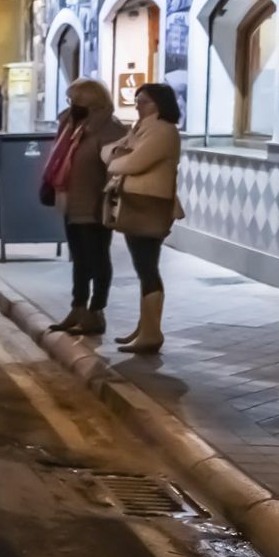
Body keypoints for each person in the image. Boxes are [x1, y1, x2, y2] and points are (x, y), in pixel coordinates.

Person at [103, 82, 184, 355]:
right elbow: (109, 149)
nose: (138, 105)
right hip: (134, 201)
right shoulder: (141, 129)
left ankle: (151, 333)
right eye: (137, 100)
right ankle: (145, 328)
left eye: (145, 101)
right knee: (143, 267)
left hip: (150, 204)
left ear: (160, 103)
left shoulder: (163, 131)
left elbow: (133, 162)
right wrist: (118, 155)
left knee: (147, 266)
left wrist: (116, 161)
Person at [43, 79, 127, 336]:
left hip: (95, 206)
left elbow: (116, 170)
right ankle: (78, 307)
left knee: (98, 259)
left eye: (75, 101)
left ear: (91, 103)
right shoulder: (72, 125)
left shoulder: (109, 130)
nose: (71, 106)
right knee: (79, 259)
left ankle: (96, 312)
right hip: (72, 203)